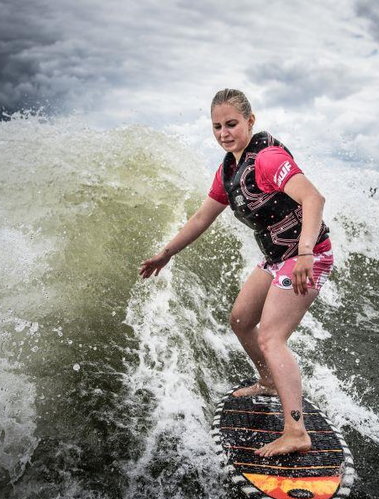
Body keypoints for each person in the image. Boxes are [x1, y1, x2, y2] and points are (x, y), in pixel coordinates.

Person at [139, 88, 333, 457]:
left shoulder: (267, 158)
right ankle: (268, 381)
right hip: (278, 257)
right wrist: (166, 254)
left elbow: (314, 198)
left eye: (231, 124)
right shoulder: (229, 170)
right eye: (217, 127)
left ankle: (296, 431)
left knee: (272, 337)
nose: (224, 133)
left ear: (250, 121)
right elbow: (201, 218)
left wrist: (306, 251)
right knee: (242, 319)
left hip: (309, 255)